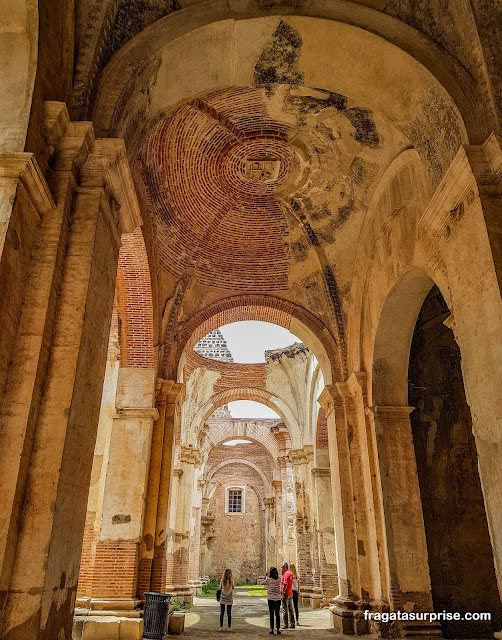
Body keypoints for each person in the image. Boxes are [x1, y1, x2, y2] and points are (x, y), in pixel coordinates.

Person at [262, 567, 282, 635]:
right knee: (277, 614)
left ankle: (272, 629)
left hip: (270, 598)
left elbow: (262, 583)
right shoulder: (279, 579)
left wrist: (265, 576)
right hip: (278, 598)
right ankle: (278, 629)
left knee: (271, 614)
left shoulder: (269, 580)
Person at [280, 562, 295, 629]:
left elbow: (285, 584)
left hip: (286, 593)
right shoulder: (290, 573)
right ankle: (292, 623)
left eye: (282, 567)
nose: (281, 569)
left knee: (285, 609)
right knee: (290, 609)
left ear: (284, 567)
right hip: (290, 593)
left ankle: (286, 624)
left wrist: (282, 591)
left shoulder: (286, 574)